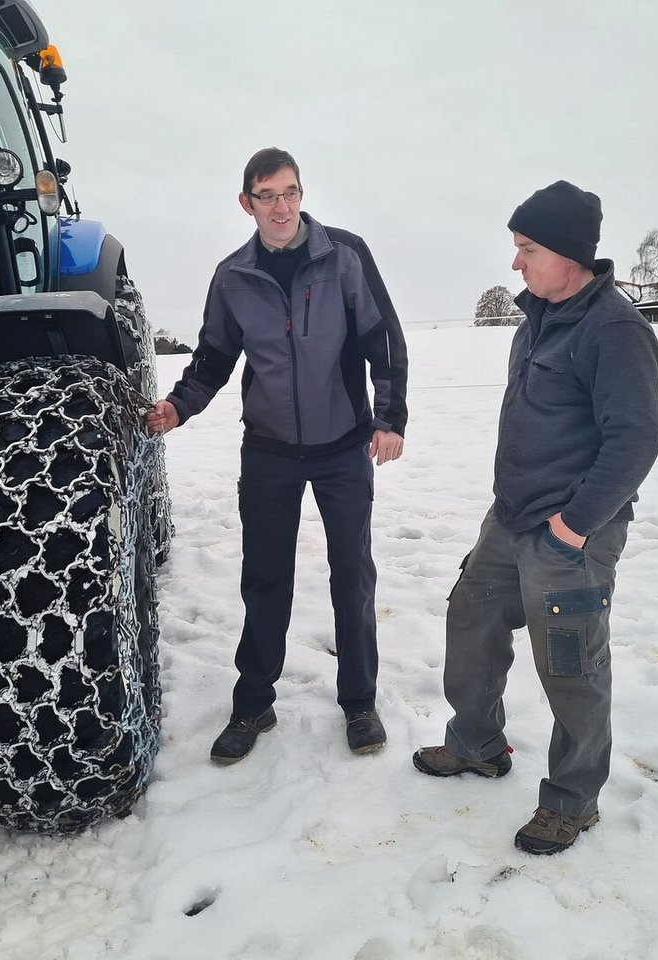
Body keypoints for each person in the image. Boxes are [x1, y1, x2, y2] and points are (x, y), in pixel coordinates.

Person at [412, 180, 658, 855]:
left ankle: (573, 800)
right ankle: (477, 744)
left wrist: (574, 525)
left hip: (571, 533)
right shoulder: (540, 320)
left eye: (526, 248)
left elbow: (637, 438)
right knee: (471, 615)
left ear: (570, 253)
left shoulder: (615, 329)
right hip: (513, 517)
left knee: (571, 666)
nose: (516, 263)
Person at [147, 147, 408, 764]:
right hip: (268, 451)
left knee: (353, 575)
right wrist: (179, 406)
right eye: (268, 196)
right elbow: (214, 355)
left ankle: (359, 701)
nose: (282, 206)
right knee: (265, 578)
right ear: (248, 204)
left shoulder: (344, 255)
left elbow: (383, 340)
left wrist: (389, 418)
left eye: (291, 192)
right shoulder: (234, 275)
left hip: (343, 446)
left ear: (301, 195)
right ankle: (253, 701)